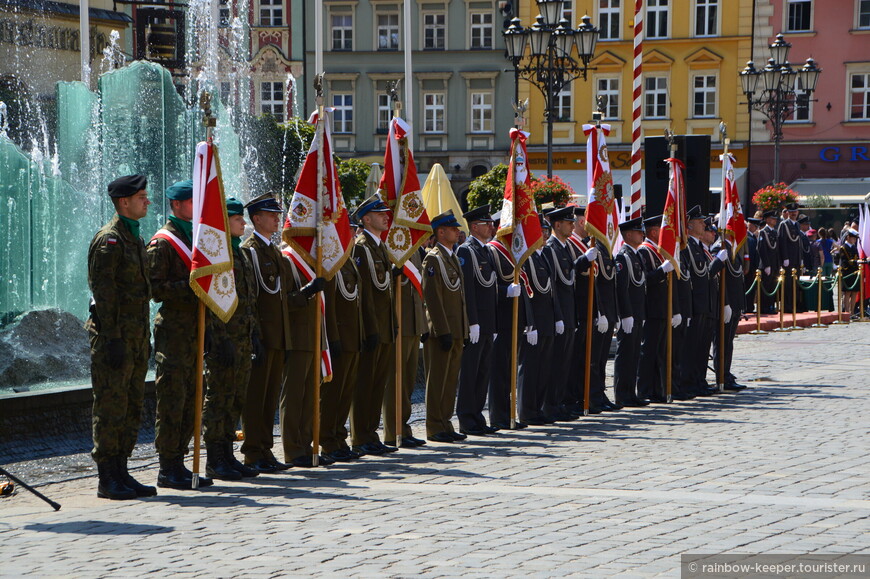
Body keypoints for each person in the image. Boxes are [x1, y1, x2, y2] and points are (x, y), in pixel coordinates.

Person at [86, 174, 154, 500]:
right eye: (142, 196)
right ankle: (107, 477)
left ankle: (122, 471)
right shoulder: (109, 240)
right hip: (115, 339)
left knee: (131, 406)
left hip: (135, 337)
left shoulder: (134, 238)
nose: (148, 201)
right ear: (124, 202)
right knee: (111, 406)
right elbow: (104, 292)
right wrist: (112, 338)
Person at [148, 180, 213, 490]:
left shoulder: (195, 237)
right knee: (172, 399)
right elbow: (155, 289)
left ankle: (182, 461)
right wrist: (189, 286)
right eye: (190, 201)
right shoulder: (163, 241)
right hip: (173, 330)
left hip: (193, 329)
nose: (195, 206)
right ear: (176, 205)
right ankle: (168, 465)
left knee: (191, 398)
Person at [201, 197, 260, 480]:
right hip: (225, 339)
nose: (243, 224)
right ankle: (214, 458)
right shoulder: (218, 254)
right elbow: (213, 299)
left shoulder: (239, 253)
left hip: (242, 337)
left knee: (235, 398)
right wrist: (218, 337)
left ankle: (227, 455)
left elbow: (247, 298)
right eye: (238, 220)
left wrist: (254, 333)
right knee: (219, 399)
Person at [239, 193, 294, 473]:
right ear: (256, 218)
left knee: (270, 395)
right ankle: (252, 451)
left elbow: (282, 294)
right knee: (256, 397)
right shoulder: (250, 250)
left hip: (278, 334)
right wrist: (255, 336)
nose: (276, 218)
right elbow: (253, 297)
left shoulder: (272, 249)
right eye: (270, 214)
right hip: (262, 335)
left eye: (277, 214)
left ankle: (265, 449)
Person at [351, 194, 398, 456]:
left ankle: (371, 433)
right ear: (366, 219)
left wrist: (393, 323)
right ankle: (360, 436)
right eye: (379, 213)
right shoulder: (361, 247)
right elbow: (365, 292)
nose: (385, 216)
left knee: (378, 383)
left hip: (384, 326)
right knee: (365, 384)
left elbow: (385, 290)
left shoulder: (379, 246)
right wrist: (369, 327)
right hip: (372, 327)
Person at [278, 240, 327, 468]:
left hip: (313, 335)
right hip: (297, 337)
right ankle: (293, 449)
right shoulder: (288, 260)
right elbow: (283, 301)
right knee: (295, 395)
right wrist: (308, 290)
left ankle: (307, 445)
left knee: (310, 396)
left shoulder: (310, 261)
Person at [422, 210, 469, 443]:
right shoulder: (433, 258)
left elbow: (459, 298)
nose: (457, 232)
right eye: (452, 229)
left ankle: (445, 422)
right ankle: (434, 425)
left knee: (450, 380)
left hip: (457, 328)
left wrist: (464, 329)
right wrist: (442, 331)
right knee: (438, 379)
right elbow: (432, 298)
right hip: (443, 331)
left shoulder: (450, 256)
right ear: (441, 232)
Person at [456, 205, 499, 436]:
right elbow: (468, 290)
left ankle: (477, 416)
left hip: (487, 322)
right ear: (474, 227)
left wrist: (493, 323)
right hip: (476, 324)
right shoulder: (467, 251)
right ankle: (466, 418)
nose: (492, 227)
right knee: (470, 371)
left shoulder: (486, 251)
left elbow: (490, 288)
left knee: (483, 372)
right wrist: (472, 322)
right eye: (487, 223)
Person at [542, 206, 587, 420]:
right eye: (568, 222)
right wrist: (559, 317)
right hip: (560, 315)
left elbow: (569, 278)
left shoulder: (564, 248)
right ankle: (551, 405)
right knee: (556, 364)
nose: (573, 225)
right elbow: (553, 286)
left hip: (569, 314)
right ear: (557, 225)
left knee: (565, 364)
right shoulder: (551, 248)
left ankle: (559, 403)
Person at [383, 245, 428, 447]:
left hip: (413, 323)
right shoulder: (390, 245)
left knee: (408, 382)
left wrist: (422, 325)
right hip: (398, 322)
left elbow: (419, 290)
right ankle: (393, 431)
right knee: (396, 381)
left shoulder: (415, 250)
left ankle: (404, 426)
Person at [321, 253, 365, 461]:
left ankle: (339, 436)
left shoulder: (347, 260)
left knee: (346, 392)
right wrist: (333, 336)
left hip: (353, 335)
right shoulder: (331, 259)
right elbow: (329, 302)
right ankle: (328, 441)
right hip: (340, 336)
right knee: (333, 393)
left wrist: (362, 333)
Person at [486, 214, 526, 430]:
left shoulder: (513, 253)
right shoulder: (493, 251)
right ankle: (498, 416)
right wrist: (505, 291)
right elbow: (487, 284)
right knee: (500, 370)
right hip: (501, 317)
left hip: (515, 318)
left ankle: (509, 413)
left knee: (510, 368)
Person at [518, 216, 560, 424]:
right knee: (530, 368)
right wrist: (530, 324)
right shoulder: (527, 257)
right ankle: (527, 410)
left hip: (548, 320)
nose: (544, 234)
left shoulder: (543, 256)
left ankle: (538, 408)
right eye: (540, 230)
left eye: (545, 230)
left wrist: (558, 318)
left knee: (544, 368)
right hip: (534, 322)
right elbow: (527, 293)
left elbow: (552, 290)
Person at [681, 207, 727, 397]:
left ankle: (699, 381)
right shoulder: (688, 247)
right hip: (696, 304)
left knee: (702, 348)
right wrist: (718, 261)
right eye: (700, 222)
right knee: (692, 348)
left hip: (706, 303)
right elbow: (702, 274)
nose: (704, 225)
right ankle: (689, 382)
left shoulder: (699, 247)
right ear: (690, 225)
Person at [636, 215, 678, 404]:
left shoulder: (658, 251)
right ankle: (645, 390)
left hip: (662, 308)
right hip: (651, 308)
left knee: (660, 352)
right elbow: (646, 279)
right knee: (649, 352)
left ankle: (657, 389)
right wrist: (662, 269)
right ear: (653, 232)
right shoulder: (645, 251)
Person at [613, 217, 649, 407]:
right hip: (629, 314)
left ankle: (631, 392)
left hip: (638, 313)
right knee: (625, 354)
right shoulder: (623, 256)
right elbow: (622, 288)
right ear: (628, 235)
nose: (641, 233)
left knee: (634, 353)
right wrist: (625, 314)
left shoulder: (636, 255)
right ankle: (622, 394)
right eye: (637, 231)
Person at [567, 206, 599, 413]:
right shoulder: (571, 245)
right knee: (574, 360)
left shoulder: (583, 245)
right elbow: (568, 274)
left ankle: (585, 396)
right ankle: (574, 399)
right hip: (576, 308)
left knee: (587, 359)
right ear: (582, 223)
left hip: (587, 308)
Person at [711, 228, 746, 392]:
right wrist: (725, 303)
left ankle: (726, 372)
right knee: (722, 341)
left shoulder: (733, 248)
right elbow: (718, 279)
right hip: (725, 303)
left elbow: (738, 278)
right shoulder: (720, 248)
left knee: (728, 342)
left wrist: (740, 305)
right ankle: (721, 376)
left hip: (734, 303)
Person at [778, 203, 802, 313]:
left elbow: (798, 243)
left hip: (796, 259)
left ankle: (794, 305)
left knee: (795, 283)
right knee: (787, 284)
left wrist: (800, 258)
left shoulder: (797, 225)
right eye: (791, 212)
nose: (793, 214)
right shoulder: (784, 225)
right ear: (788, 213)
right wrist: (785, 257)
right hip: (788, 259)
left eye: (795, 212)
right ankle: (787, 306)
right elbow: (782, 241)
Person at [758, 211, 780, 314]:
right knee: (766, 287)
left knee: (773, 286)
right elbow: (762, 249)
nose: (774, 220)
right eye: (772, 218)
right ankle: (764, 307)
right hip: (767, 264)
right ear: (767, 219)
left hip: (774, 264)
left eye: (775, 218)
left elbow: (777, 250)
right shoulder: (763, 232)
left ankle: (771, 305)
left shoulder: (774, 232)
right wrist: (766, 265)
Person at [836, 229, 861, 318]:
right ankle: (846, 312)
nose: (854, 240)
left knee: (854, 292)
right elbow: (844, 261)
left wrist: (857, 262)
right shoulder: (843, 248)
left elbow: (857, 257)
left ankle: (852, 312)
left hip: (854, 272)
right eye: (853, 238)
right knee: (847, 293)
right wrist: (854, 262)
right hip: (847, 272)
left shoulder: (854, 247)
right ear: (848, 237)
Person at [744, 217, 762, 313]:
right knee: (747, 287)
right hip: (749, 267)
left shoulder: (753, 237)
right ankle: (747, 306)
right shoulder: (747, 237)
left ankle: (750, 306)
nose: (756, 228)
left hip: (753, 266)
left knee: (751, 287)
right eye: (754, 226)